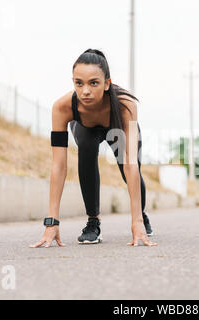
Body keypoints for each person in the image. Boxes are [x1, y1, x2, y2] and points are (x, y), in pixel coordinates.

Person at [30, 49, 157, 248]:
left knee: (129, 167)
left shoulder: (126, 105)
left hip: (117, 127)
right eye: (78, 83)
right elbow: (58, 167)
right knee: (86, 148)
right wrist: (51, 222)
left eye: (94, 83)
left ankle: (141, 215)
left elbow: (131, 165)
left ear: (107, 84)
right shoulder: (62, 108)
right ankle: (93, 222)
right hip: (86, 128)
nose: (85, 91)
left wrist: (137, 222)